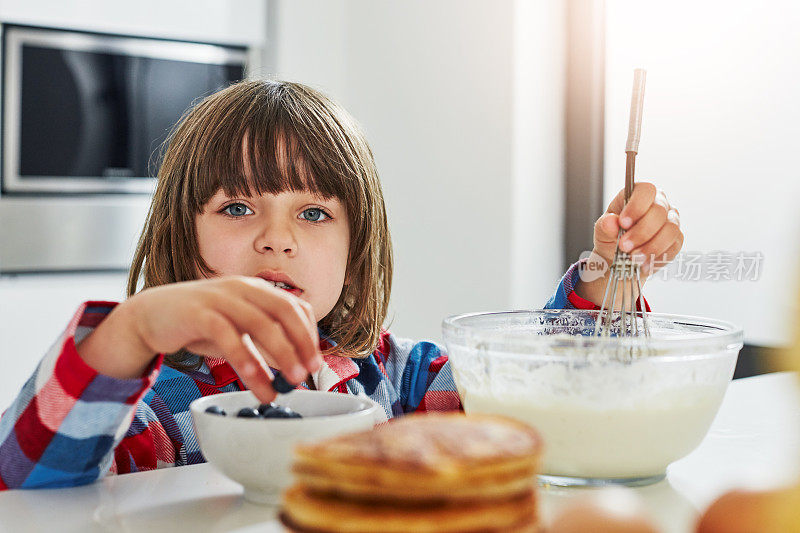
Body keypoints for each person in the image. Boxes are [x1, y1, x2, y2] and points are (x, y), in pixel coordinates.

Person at [0, 80, 682, 489]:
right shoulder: (159, 405)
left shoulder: (401, 378)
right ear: (187, 234)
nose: (277, 238)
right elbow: (26, 483)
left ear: (357, 249)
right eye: (238, 208)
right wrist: (133, 329)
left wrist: (605, 277)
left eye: (315, 212)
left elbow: (542, 404)